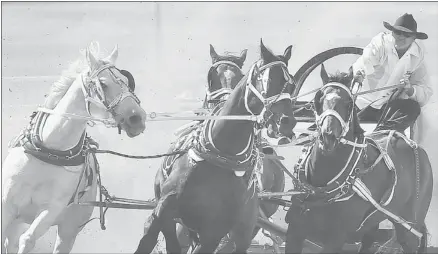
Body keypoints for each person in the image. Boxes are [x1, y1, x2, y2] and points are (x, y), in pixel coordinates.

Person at [352, 13, 433, 133]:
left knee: (413, 108)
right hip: (359, 104)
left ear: (414, 38)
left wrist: (410, 90)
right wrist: (361, 72)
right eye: (397, 32)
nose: (401, 37)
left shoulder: (418, 56)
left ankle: (380, 136)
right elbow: (367, 58)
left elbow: (425, 91)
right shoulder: (381, 42)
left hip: (386, 110)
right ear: (392, 32)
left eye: (407, 35)